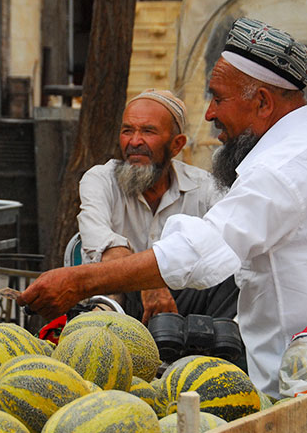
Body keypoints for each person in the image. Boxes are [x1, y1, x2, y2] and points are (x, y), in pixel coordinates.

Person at [20, 18, 307, 396]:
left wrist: (79, 282)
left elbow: (197, 252)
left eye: (218, 98)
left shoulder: (281, 169)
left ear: (262, 102)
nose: (209, 113)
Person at [77, 89, 236, 324]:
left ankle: (215, 357)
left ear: (176, 144)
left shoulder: (205, 187)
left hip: (185, 303)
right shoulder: (100, 180)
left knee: (233, 277)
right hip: (118, 300)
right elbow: (105, 246)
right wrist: (150, 281)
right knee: (110, 290)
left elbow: (227, 245)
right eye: (127, 130)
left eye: (148, 131)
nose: (134, 141)